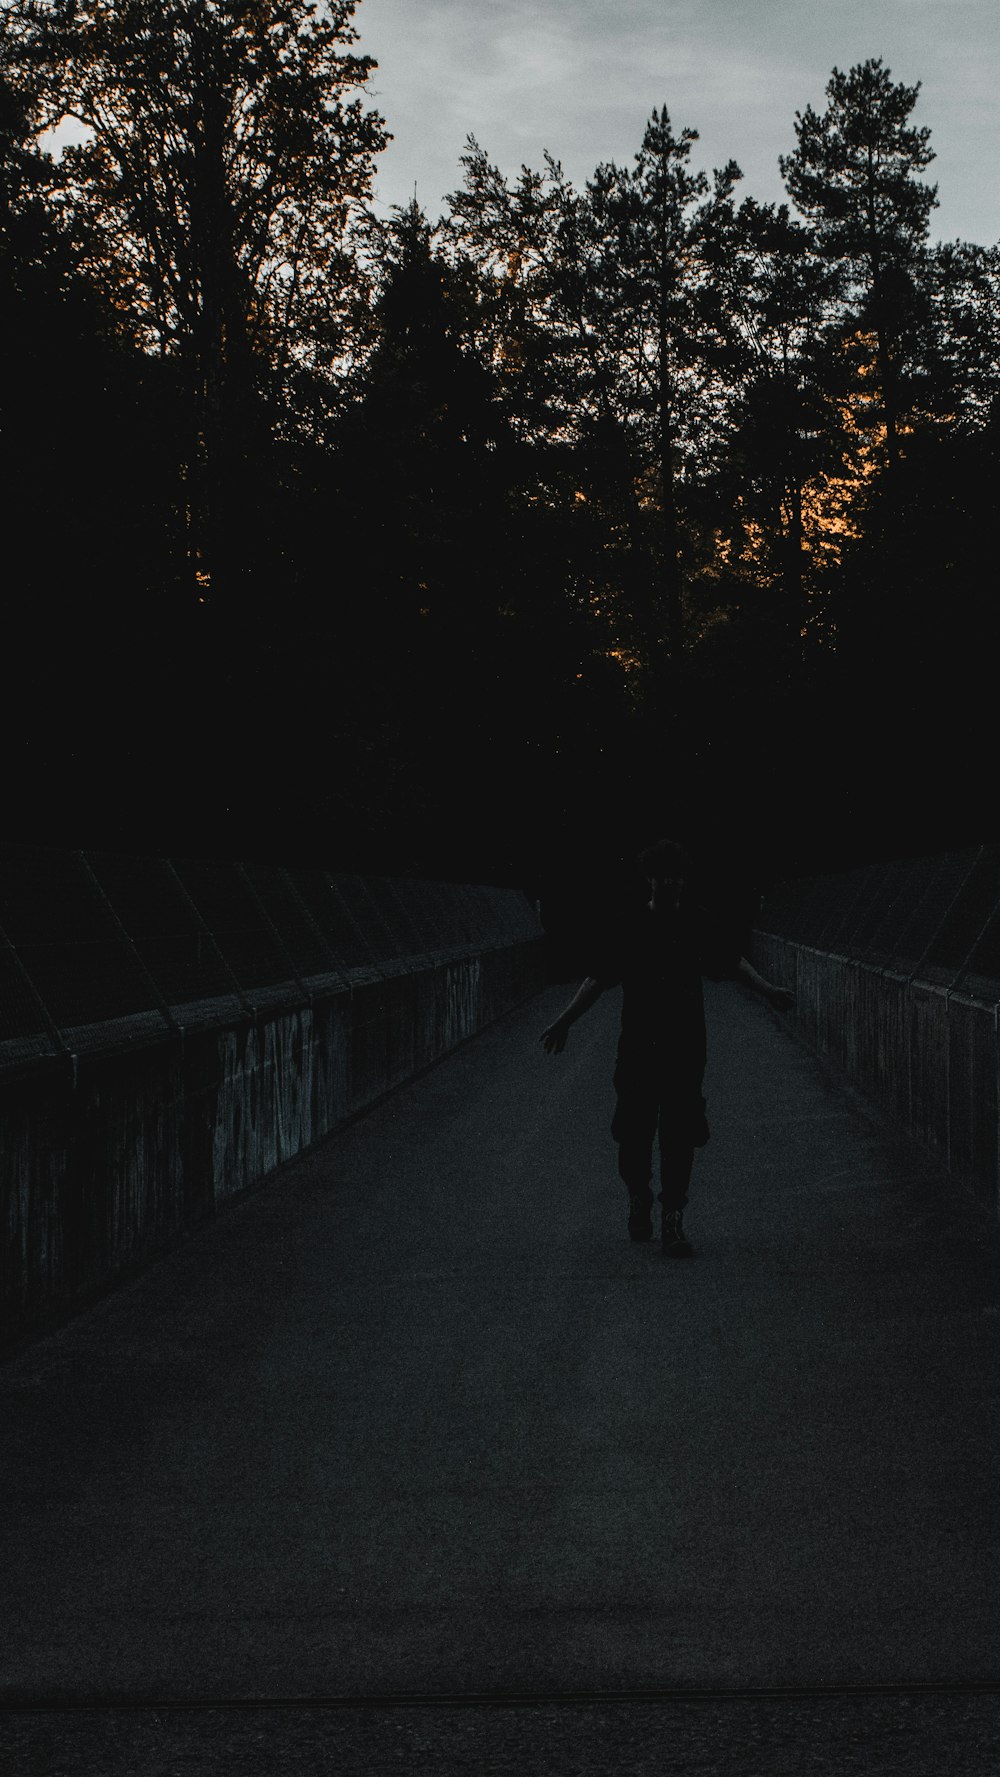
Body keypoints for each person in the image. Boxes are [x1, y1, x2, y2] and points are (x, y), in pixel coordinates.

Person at [540, 838, 793, 1255]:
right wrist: (565, 1020)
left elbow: (732, 962)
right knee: (632, 1137)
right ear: (650, 880)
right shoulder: (630, 924)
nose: (670, 884)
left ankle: (673, 1218)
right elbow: (598, 978)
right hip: (639, 1048)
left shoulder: (698, 922)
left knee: (679, 1136)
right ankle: (639, 1195)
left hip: (685, 1049)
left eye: (677, 877)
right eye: (663, 877)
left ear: (683, 880)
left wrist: (769, 992)